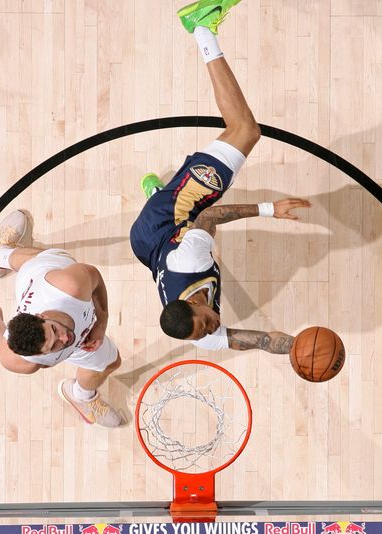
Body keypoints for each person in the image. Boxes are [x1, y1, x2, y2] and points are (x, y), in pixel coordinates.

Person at [129, 0, 312, 354]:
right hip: (147, 247)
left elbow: (210, 216)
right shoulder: (203, 335)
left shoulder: (192, 260)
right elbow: (258, 341)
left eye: (205, 321)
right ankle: (156, 193)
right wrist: (296, 350)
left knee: (244, 130)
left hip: (168, 220)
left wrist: (269, 209)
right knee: (180, 224)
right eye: (206, 330)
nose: (212, 323)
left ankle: (201, 28)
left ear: (191, 306)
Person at [0, 210, 122, 427]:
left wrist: (102, 321)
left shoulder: (70, 286)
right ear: (40, 356)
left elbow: (94, 277)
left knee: (33, 259)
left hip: (43, 270)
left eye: (54, 330)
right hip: (79, 343)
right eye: (53, 346)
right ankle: (81, 396)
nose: (65, 339)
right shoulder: (22, 362)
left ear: (41, 316)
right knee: (111, 363)